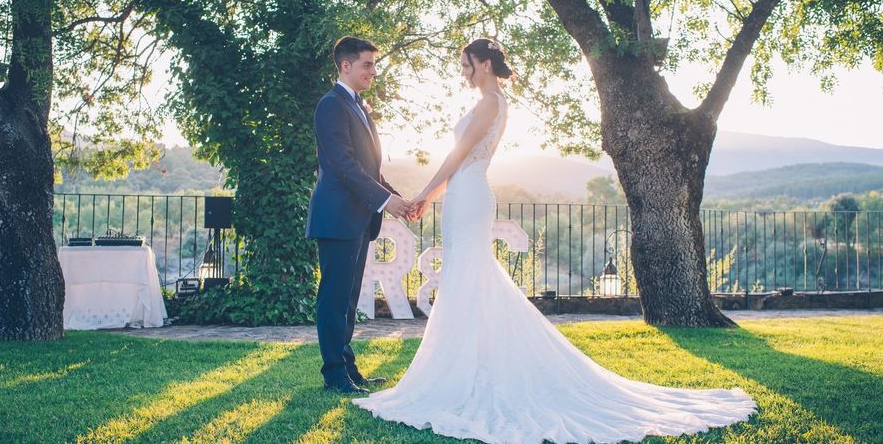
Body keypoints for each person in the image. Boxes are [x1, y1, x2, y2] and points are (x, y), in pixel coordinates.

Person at [352, 38, 756, 443]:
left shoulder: (492, 101)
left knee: (470, 277)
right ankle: (469, 364)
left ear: (486, 64)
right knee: (467, 279)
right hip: (462, 194)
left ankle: (467, 373)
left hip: (470, 195)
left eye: (467, 65)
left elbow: (459, 155)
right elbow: (458, 162)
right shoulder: (487, 101)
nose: (463, 72)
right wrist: (431, 197)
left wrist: (422, 193)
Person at [306, 36, 412, 394]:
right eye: (367, 64)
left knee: (349, 298)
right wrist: (384, 200)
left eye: (373, 64)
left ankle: (349, 370)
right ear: (346, 66)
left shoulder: (358, 106)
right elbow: (343, 165)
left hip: (358, 218)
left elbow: (369, 167)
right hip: (336, 217)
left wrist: (396, 199)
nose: (373, 71)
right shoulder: (330, 105)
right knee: (334, 298)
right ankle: (334, 374)